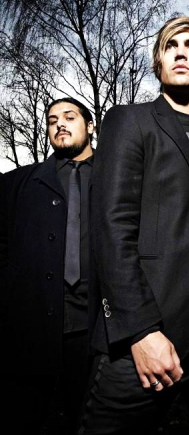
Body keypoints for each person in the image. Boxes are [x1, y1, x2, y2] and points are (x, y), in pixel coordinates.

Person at [78, 16, 189, 435]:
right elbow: (111, 228)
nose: (179, 52)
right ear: (159, 63)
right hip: (155, 331)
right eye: (169, 46)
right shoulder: (129, 121)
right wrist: (139, 330)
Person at [0, 97, 95, 434]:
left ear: (90, 126)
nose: (60, 124)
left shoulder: (118, 178)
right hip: (30, 328)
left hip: (94, 331)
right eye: (53, 120)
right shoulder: (16, 184)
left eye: (69, 117)